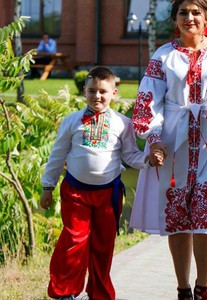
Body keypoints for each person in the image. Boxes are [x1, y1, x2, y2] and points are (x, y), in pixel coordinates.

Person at [129, 1, 207, 299]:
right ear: (175, 18)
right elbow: (148, 100)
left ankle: (203, 285)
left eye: (196, 12)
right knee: (178, 216)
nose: (190, 18)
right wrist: (154, 138)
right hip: (175, 144)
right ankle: (183, 287)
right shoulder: (163, 56)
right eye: (183, 12)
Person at [40, 66, 158, 300]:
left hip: (108, 193)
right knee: (75, 239)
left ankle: (99, 293)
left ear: (114, 93)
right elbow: (57, 155)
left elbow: (131, 155)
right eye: (92, 90)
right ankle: (66, 292)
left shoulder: (123, 123)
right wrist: (47, 186)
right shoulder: (71, 121)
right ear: (84, 91)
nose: (97, 96)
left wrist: (149, 160)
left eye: (103, 91)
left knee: (103, 246)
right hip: (75, 191)